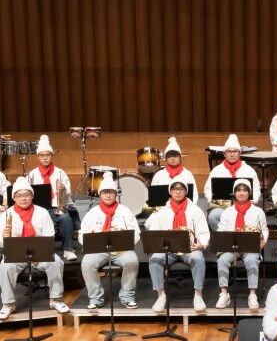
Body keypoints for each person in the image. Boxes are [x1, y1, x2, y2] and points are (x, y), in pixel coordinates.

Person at [0, 177, 69, 319]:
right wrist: (4, 238)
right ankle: (8, 304)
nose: (23, 198)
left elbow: (49, 236)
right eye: (19, 195)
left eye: (26, 195)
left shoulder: (42, 212)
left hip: (40, 252)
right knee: (5, 267)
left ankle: (56, 299)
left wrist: (38, 254)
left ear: (32, 196)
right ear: (14, 198)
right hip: (16, 254)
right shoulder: (6, 214)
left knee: (56, 262)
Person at [145, 179, 209, 313]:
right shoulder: (163, 211)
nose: (178, 191)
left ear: (186, 191)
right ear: (170, 191)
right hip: (168, 250)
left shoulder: (195, 210)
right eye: (175, 189)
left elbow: (203, 231)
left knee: (198, 258)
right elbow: (154, 232)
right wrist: (160, 245)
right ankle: (160, 295)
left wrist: (201, 245)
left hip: (190, 248)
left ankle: (198, 294)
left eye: (181, 189)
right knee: (155, 259)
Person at [79, 175, 140, 311]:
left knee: (132, 262)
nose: (108, 195)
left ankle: (127, 296)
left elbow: (136, 231)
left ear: (116, 194)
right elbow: (82, 234)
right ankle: (96, 298)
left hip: (122, 249)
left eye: (111, 192)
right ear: (100, 195)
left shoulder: (125, 211)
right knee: (87, 263)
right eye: (105, 192)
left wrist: (128, 243)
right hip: (98, 250)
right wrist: (90, 243)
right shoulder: (92, 213)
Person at [216, 178, 268, 310]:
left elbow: (264, 229)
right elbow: (221, 230)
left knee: (251, 260)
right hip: (231, 247)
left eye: (245, 190)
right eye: (238, 190)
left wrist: (263, 240)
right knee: (222, 260)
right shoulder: (227, 211)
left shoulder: (258, 211)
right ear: (234, 193)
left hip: (250, 247)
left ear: (249, 193)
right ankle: (224, 293)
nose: (241, 193)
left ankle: (252, 294)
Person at [26, 134, 80, 260]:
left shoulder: (60, 173)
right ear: (38, 157)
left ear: (51, 156)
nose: (45, 158)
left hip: (56, 207)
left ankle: (68, 249)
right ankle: (38, 249)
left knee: (65, 218)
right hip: (37, 209)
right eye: (42, 155)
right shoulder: (32, 175)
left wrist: (63, 189)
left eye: (48, 155)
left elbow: (67, 195)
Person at [204, 134, 260, 232]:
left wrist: (252, 201)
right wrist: (215, 202)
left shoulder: (249, 170)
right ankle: (225, 238)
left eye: (235, 151)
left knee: (255, 215)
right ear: (224, 154)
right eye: (229, 151)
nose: (232, 154)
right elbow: (208, 189)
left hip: (244, 205)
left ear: (240, 153)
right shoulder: (217, 170)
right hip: (222, 207)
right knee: (213, 216)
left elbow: (256, 189)